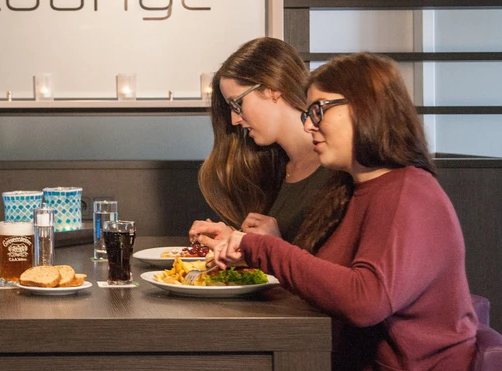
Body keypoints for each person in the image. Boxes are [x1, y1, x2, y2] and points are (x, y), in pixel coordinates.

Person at [213, 52, 477, 370]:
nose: (308, 125)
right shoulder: (354, 189)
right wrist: (249, 252)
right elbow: (327, 285)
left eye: (319, 110)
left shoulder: (409, 191)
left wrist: (263, 248)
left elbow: (365, 302)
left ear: (365, 106)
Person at [189, 37, 344, 251]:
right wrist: (237, 239)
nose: (235, 119)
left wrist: (273, 247)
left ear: (273, 88)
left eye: (237, 103)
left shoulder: (337, 165)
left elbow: (334, 264)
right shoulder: (274, 166)